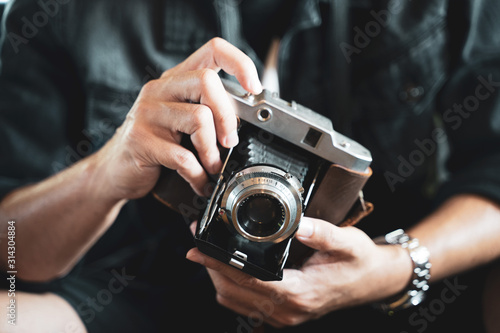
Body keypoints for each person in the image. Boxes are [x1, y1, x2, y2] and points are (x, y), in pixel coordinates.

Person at [1, 0, 499, 332]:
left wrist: (393, 268)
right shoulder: (65, 12)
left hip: (370, 280)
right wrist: (109, 168)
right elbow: (10, 249)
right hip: (144, 290)